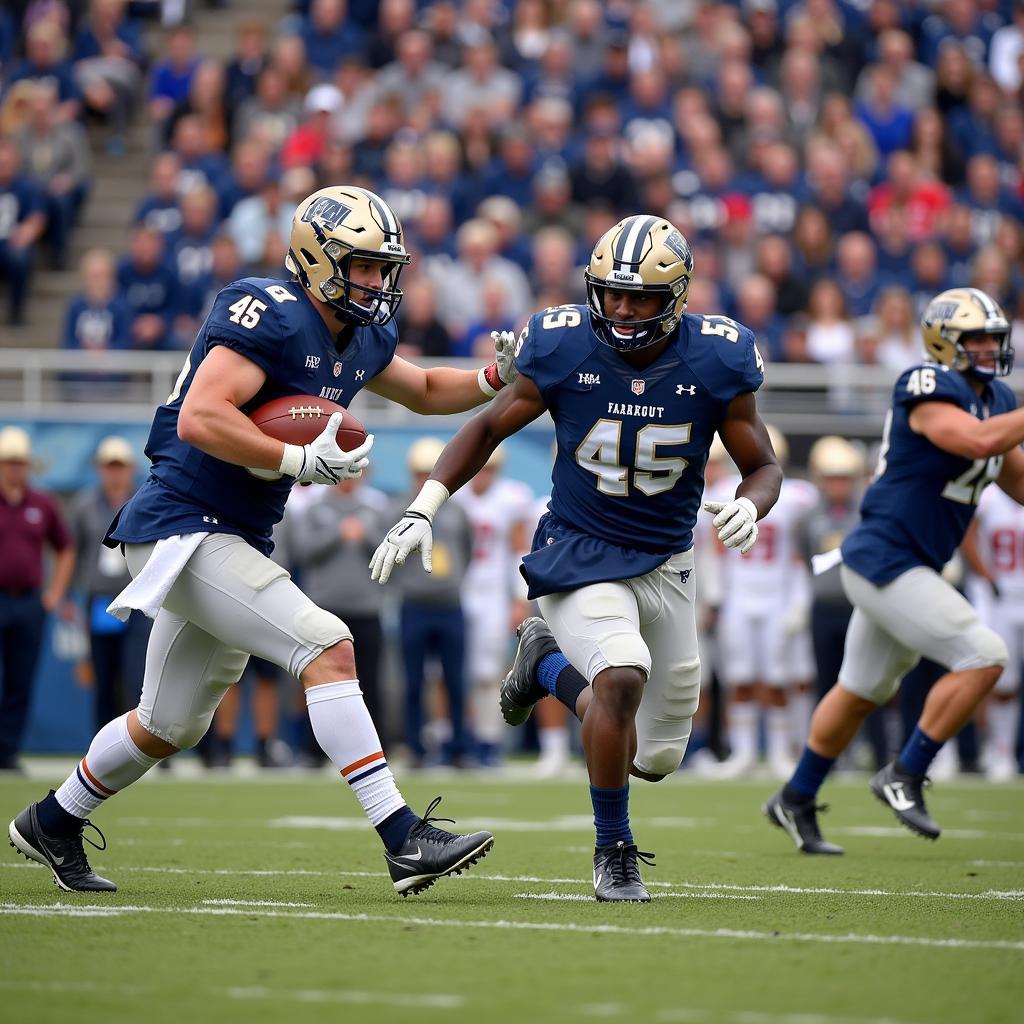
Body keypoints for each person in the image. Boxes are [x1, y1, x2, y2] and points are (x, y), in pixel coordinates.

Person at [8, 185, 516, 896]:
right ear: (314, 256)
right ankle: (402, 837)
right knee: (327, 645)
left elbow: (428, 386)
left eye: (381, 268)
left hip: (234, 531)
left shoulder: (360, 333)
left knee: (168, 723)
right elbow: (201, 417)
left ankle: (53, 820)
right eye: (360, 265)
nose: (374, 281)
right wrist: (294, 460)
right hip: (182, 523)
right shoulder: (268, 312)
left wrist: (499, 375)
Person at [371, 214, 782, 901]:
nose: (622, 309)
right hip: (579, 549)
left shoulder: (719, 357)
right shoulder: (560, 343)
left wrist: (752, 501)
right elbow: (487, 425)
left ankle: (546, 665)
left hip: (669, 562)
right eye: (611, 293)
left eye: (641, 298)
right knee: (622, 679)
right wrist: (425, 506)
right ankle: (612, 850)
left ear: (676, 297)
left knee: (655, 756)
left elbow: (762, 462)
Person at [765, 288, 1022, 855]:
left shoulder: (999, 398)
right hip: (886, 557)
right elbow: (974, 440)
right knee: (985, 655)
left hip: (911, 564)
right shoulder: (926, 384)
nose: (986, 348)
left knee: (860, 689)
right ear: (942, 342)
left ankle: (796, 797)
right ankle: (906, 772)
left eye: (992, 338)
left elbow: (1017, 481)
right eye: (973, 338)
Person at [391, 437, 474, 768]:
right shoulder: (399, 509)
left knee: (455, 681)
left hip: (450, 605)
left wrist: (450, 583)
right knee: (412, 682)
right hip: (414, 604)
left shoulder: (457, 511)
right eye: (419, 473)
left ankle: (458, 749)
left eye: (431, 473)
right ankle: (416, 748)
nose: (424, 480)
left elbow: (466, 552)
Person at [0, 426, 76, 772]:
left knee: (20, 679)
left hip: (29, 601)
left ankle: (8, 752)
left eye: (19, 462)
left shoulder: (41, 503)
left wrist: (55, 593)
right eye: (8, 462)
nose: (14, 468)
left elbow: (65, 548)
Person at [452, 445, 533, 766]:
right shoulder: (455, 497)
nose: (482, 475)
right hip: (455, 591)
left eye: (488, 469)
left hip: (492, 594)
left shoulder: (511, 498)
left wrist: (518, 597)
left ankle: (488, 739)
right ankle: (450, 736)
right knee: (446, 671)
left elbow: (518, 551)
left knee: (487, 671)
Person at [68, 436, 151, 734]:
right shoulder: (84, 505)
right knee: (104, 675)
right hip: (101, 599)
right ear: (100, 469)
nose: (115, 473)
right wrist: (69, 595)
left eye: (120, 467)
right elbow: (71, 552)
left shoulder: (143, 501)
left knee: (136, 675)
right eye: (109, 466)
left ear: (130, 469)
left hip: (137, 600)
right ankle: (102, 750)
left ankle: (140, 746)